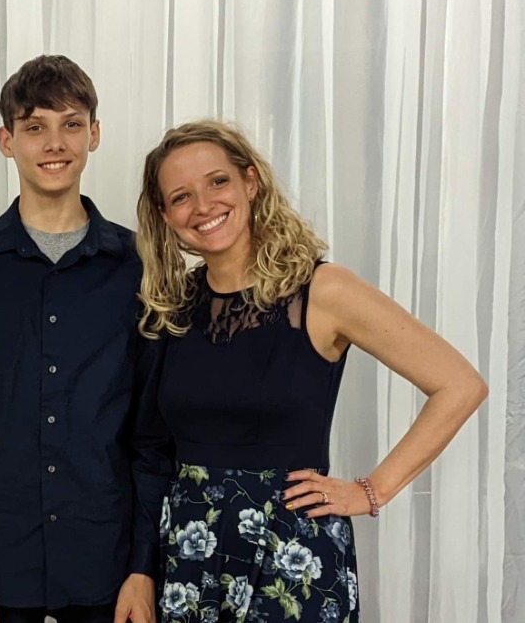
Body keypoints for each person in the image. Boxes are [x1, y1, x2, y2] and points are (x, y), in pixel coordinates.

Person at [131, 120, 487, 622]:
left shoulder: (323, 290)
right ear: (165, 215)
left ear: (250, 182)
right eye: (181, 196)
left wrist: (372, 490)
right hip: (190, 553)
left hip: (291, 553)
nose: (204, 205)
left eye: (218, 182)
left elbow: (460, 384)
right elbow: (150, 448)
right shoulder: (173, 305)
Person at [0, 55, 158, 623]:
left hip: (109, 562)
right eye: (34, 126)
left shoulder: (140, 267)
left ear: (94, 134)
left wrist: (144, 566)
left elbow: (154, 431)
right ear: (7, 140)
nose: (54, 143)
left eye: (71, 124)